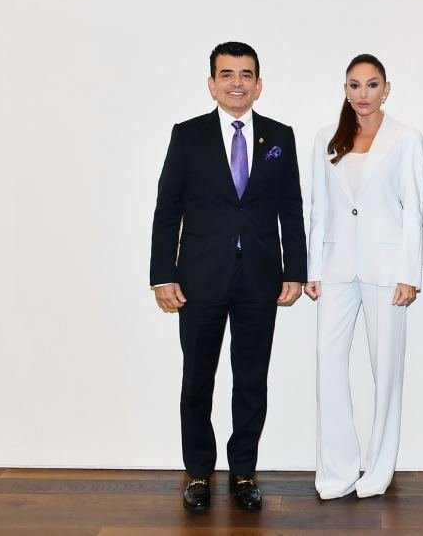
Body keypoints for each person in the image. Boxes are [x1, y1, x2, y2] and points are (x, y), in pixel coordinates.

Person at [150, 41, 307, 512]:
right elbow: (167, 210)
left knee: (251, 379)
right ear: (212, 83)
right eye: (227, 74)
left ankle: (243, 472)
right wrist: (162, 274)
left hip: (260, 278)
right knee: (197, 379)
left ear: (259, 84)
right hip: (199, 279)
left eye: (245, 74)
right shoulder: (188, 135)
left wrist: (295, 270)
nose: (237, 83)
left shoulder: (280, 136)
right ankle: (199, 472)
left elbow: (291, 208)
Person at [305, 54, 423, 499]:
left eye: (372, 85)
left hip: (387, 269)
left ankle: (377, 470)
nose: (363, 94)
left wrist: (410, 272)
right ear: (345, 89)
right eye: (354, 85)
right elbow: (318, 207)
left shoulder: (406, 138)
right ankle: (336, 471)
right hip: (336, 267)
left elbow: (413, 210)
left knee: (386, 369)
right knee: (328, 362)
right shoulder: (326, 138)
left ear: (386, 89)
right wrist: (313, 268)